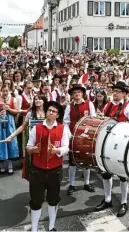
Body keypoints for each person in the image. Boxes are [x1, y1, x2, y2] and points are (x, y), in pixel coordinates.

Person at [26, 101, 69, 232]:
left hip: (55, 170)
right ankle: (34, 229)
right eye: (49, 110)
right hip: (37, 170)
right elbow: (28, 147)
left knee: (53, 199)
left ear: (58, 115)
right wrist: (34, 149)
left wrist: (57, 150)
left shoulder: (63, 129)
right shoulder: (36, 128)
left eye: (53, 111)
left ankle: (51, 227)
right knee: (36, 200)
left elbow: (66, 147)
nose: (50, 112)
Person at [96, 81, 129, 217]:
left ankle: (124, 202)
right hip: (108, 143)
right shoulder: (107, 105)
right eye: (114, 91)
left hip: (121, 144)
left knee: (122, 175)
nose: (115, 93)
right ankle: (107, 199)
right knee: (106, 172)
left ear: (125, 94)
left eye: (118, 91)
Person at [62, 84, 96, 195]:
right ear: (72, 95)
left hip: (86, 137)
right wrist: (68, 134)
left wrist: (89, 133)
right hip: (73, 136)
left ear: (82, 93)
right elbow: (66, 122)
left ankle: (86, 182)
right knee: (72, 161)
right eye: (74, 93)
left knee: (86, 160)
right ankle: (71, 184)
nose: (77, 94)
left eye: (78, 92)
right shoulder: (69, 106)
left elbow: (93, 118)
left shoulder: (89, 103)